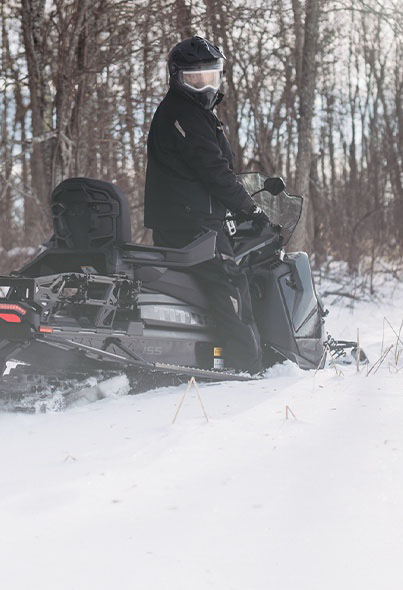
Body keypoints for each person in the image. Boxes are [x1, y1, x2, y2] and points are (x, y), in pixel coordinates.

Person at [144, 36, 270, 374]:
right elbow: (214, 171)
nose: (203, 85)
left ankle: (204, 358)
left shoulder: (186, 113)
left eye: (209, 76)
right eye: (193, 77)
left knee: (203, 291)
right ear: (176, 77)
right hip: (193, 225)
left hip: (185, 220)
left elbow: (210, 172)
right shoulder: (186, 114)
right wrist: (249, 209)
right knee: (230, 287)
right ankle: (248, 369)